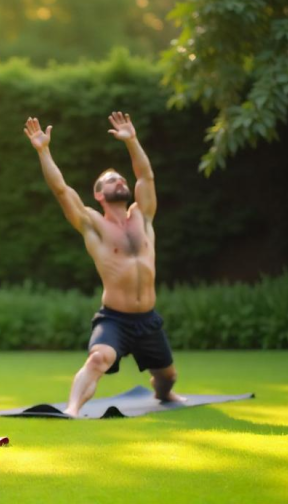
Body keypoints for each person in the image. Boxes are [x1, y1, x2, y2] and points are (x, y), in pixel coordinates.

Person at [23, 112, 185, 417]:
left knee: (168, 377)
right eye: (111, 180)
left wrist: (133, 141)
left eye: (121, 178)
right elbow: (61, 190)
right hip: (115, 319)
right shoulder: (92, 224)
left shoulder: (143, 215)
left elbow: (145, 177)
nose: (120, 180)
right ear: (99, 194)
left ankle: (165, 391)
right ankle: (72, 408)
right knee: (98, 359)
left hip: (148, 319)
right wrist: (43, 150)